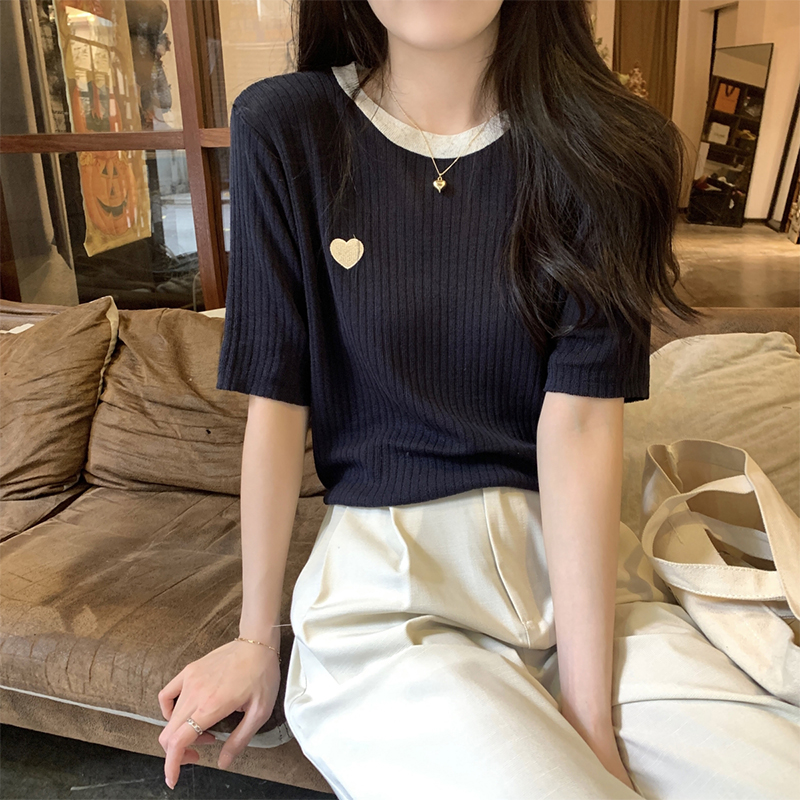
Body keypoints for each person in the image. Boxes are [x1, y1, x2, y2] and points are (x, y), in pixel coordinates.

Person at [156, 2, 800, 798]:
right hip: (388, 601)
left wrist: (590, 719)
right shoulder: (288, 127)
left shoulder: (607, 146)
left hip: (584, 580)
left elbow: (581, 421)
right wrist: (256, 639)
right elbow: (277, 405)